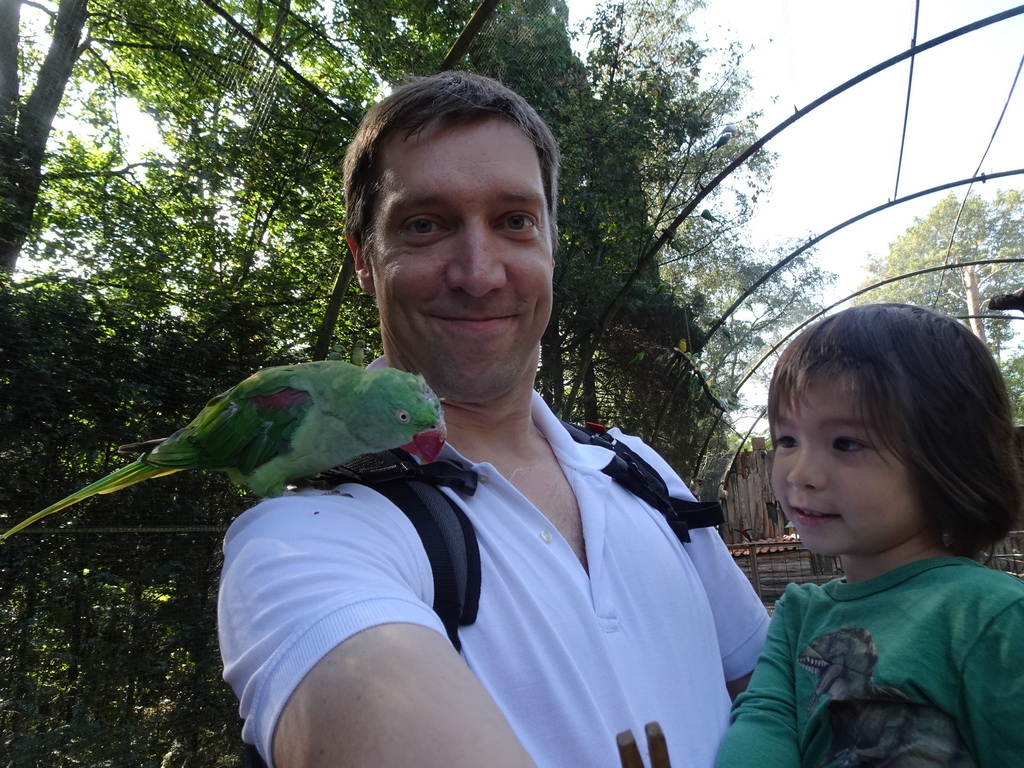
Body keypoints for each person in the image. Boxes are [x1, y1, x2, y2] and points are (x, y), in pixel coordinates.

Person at [218, 71, 769, 768]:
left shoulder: (640, 472)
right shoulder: (307, 539)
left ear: (550, 245)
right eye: (425, 224)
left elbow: (768, 692)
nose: (479, 273)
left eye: (514, 221)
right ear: (363, 260)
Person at [715, 303, 1024, 768]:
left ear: (947, 460)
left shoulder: (992, 617)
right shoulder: (798, 616)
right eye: (787, 440)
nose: (800, 473)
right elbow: (765, 720)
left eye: (846, 443)